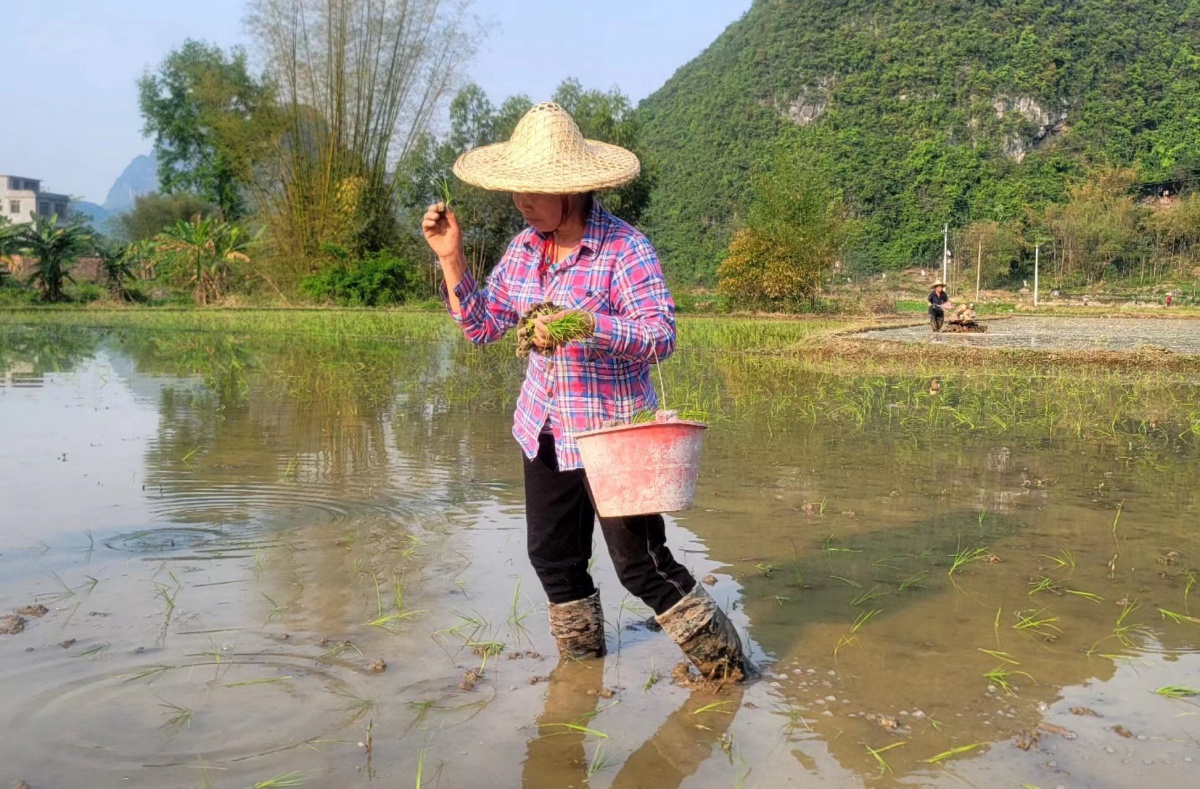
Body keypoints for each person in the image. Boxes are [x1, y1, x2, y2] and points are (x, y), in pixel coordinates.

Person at [420, 102, 749, 681]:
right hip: (544, 429)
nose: (521, 201)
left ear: (574, 191)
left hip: (613, 436)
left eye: (535, 190)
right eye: (516, 189)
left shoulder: (625, 248)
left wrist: (589, 323)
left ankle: (726, 669)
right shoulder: (524, 248)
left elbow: (660, 336)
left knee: (640, 566)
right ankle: (581, 673)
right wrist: (451, 260)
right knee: (553, 558)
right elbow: (482, 326)